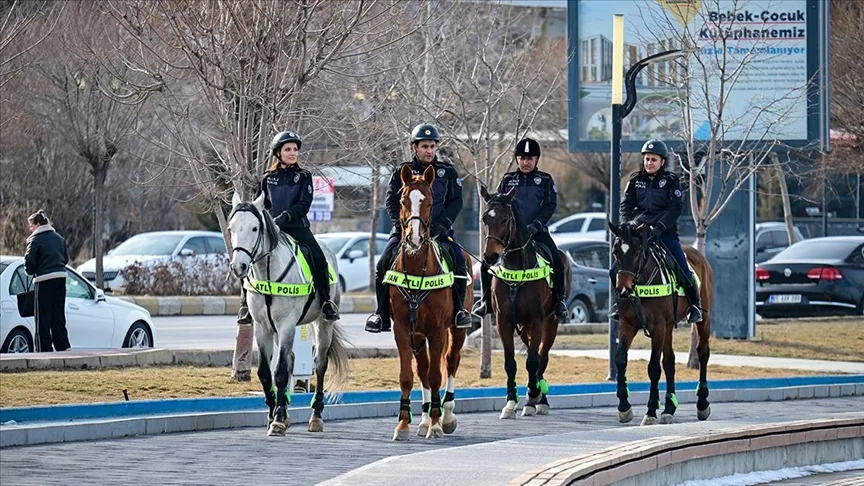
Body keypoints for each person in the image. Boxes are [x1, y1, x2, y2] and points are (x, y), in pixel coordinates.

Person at [365, 123, 472, 333]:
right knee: (382, 264)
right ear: (415, 147)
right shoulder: (402, 171)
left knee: (460, 262)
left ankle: (459, 311)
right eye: (424, 146)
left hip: (439, 233)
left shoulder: (447, 172)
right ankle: (381, 315)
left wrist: (443, 225)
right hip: (405, 232)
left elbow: (456, 202)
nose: (429, 151)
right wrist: (402, 226)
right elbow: (391, 201)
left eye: (432, 146)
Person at [237, 131, 339, 323]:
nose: (292, 153)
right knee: (249, 257)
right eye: (287, 149)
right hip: (272, 230)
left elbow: (304, 205)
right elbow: (260, 205)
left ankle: (326, 302)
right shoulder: (267, 178)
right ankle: (246, 306)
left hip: (297, 228)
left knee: (318, 257)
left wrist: (284, 218)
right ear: (278, 153)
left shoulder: (304, 176)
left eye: (295, 149)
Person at [471, 137, 569, 321]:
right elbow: (498, 204)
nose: (526, 162)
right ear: (517, 159)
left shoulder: (545, 180)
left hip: (536, 232)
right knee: (486, 263)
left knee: (557, 261)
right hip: (510, 236)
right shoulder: (508, 179)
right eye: (522, 158)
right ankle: (486, 302)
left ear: (536, 159)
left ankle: (559, 302)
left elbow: (550, 205)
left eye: (530, 158)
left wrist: (537, 224)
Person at [609, 139, 703, 323]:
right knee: (614, 271)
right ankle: (619, 303)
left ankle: (695, 306)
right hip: (638, 234)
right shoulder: (635, 180)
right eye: (647, 159)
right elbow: (625, 206)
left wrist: (659, 227)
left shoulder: (671, 181)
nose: (649, 163)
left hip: (665, 233)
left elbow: (675, 208)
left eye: (653, 159)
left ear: (662, 162)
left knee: (683, 269)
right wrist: (628, 225)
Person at [24, 210, 71, 352]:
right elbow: (65, 259)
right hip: (60, 279)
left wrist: (30, 271)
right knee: (58, 315)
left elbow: (29, 264)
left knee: (42, 317)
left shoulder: (34, 240)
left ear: (38, 225)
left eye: (31, 226)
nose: (30, 229)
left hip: (43, 280)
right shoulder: (59, 238)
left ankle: (43, 349)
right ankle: (63, 347)